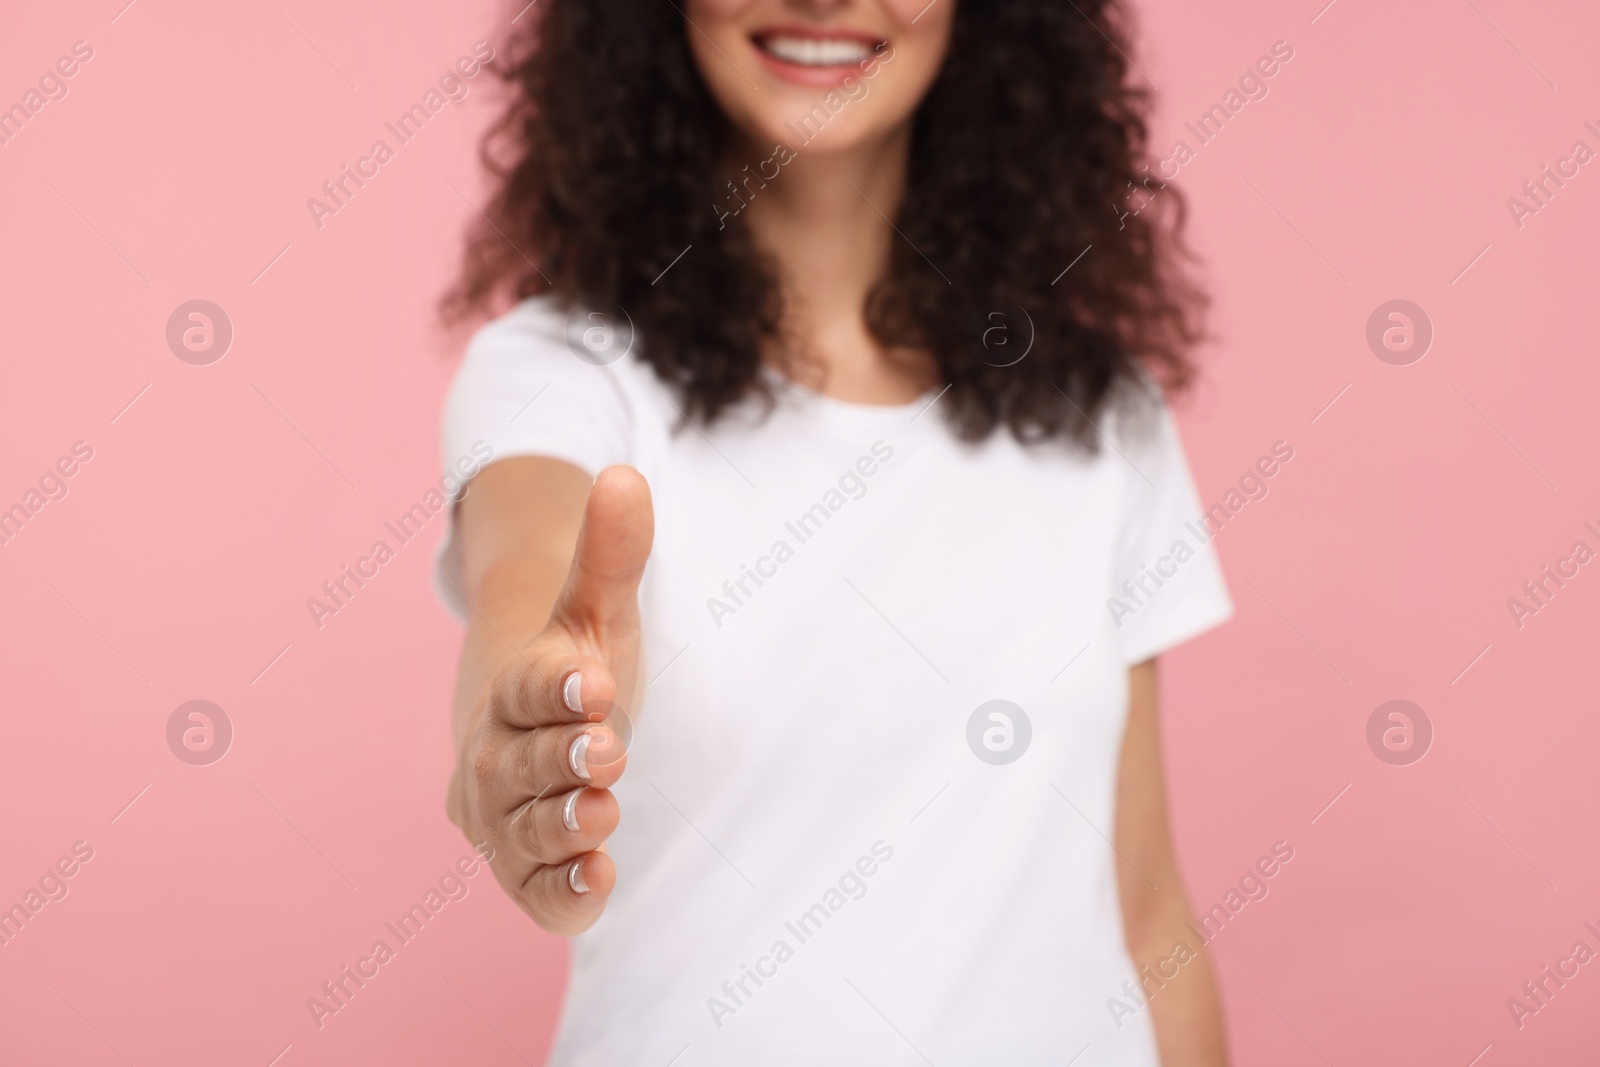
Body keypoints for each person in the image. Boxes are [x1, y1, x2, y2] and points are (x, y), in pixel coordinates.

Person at [436, 1, 1232, 1063]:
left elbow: (1148, 914)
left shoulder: (1100, 411)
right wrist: (531, 709)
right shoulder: (564, 372)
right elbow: (528, 579)